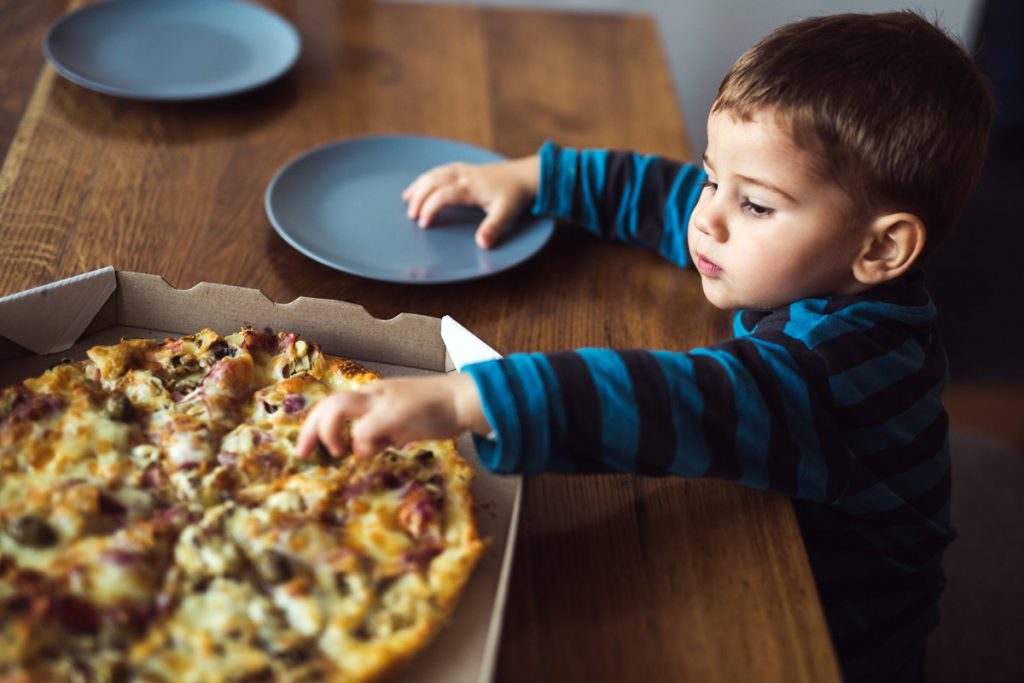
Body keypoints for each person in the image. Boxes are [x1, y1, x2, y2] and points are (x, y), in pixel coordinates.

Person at [298, 11, 993, 682]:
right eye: (714, 177)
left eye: (754, 204)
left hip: (832, 641)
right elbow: (670, 195)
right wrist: (540, 179)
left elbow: (678, 399)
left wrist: (467, 394)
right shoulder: (817, 258)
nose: (706, 217)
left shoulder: (840, 374)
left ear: (882, 246)